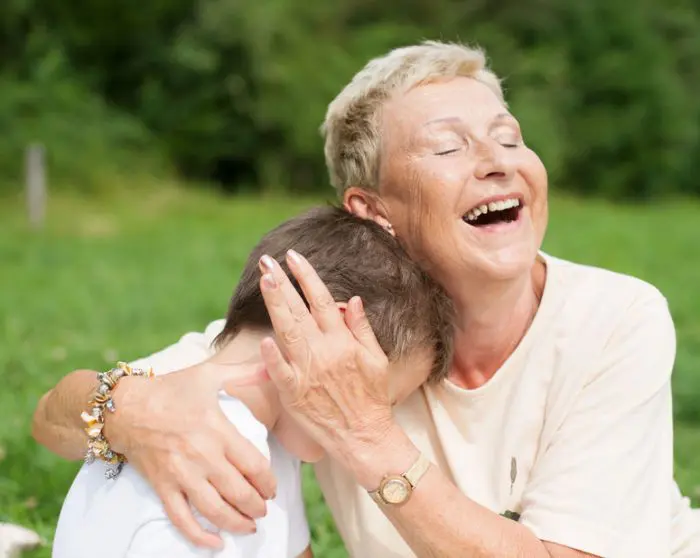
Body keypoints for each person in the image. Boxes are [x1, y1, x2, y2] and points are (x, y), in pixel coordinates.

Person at [33, 40, 700, 557]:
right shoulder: (337, 325)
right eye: (448, 145)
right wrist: (127, 408)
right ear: (373, 210)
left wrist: (364, 432)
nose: (499, 160)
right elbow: (53, 417)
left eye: (509, 137)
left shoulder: (614, 319)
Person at [51, 206, 454, 558]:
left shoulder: (263, 430)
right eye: (385, 398)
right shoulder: (211, 452)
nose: (380, 416)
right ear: (325, 330)